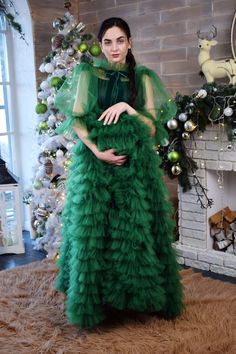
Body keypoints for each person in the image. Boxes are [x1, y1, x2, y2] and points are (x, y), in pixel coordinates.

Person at [54, 17, 184, 329]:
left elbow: (152, 127)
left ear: (130, 43)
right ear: (101, 45)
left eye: (120, 40)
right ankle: (96, 302)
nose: (114, 48)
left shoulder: (143, 77)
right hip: (95, 166)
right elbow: (78, 120)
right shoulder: (88, 73)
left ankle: (135, 297)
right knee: (94, 230)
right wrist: (98, 152)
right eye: (108, 42)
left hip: (135, 170)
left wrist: (128, 108)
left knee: (133, 231)